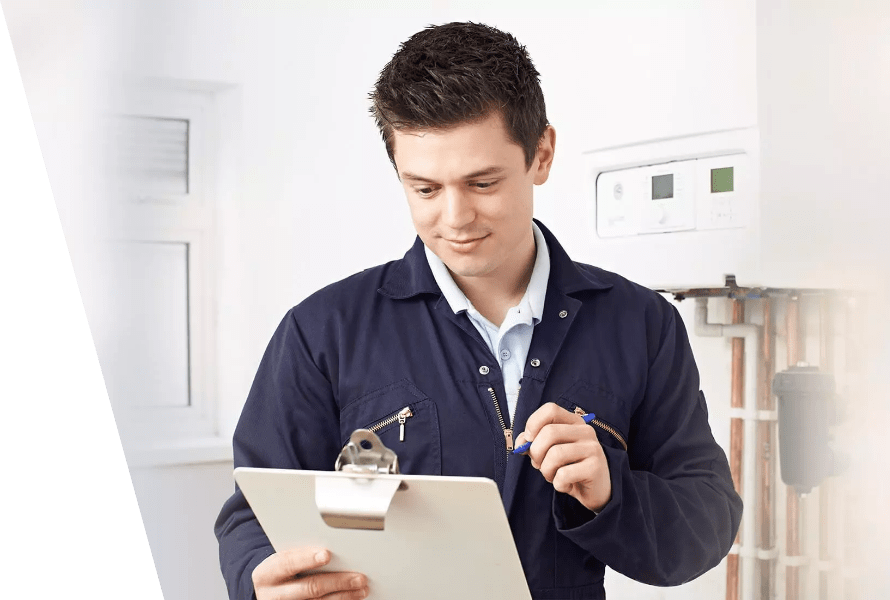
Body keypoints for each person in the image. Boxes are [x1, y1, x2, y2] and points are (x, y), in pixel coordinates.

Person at [215, 21, 742, 600]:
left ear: (541, 154)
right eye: (424, 189)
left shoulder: (642, 325)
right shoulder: (322, 332)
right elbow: (254, 517)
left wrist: (609, 491)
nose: (455, 217)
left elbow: (705, 524)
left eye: (483, 183)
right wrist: (259, 580)